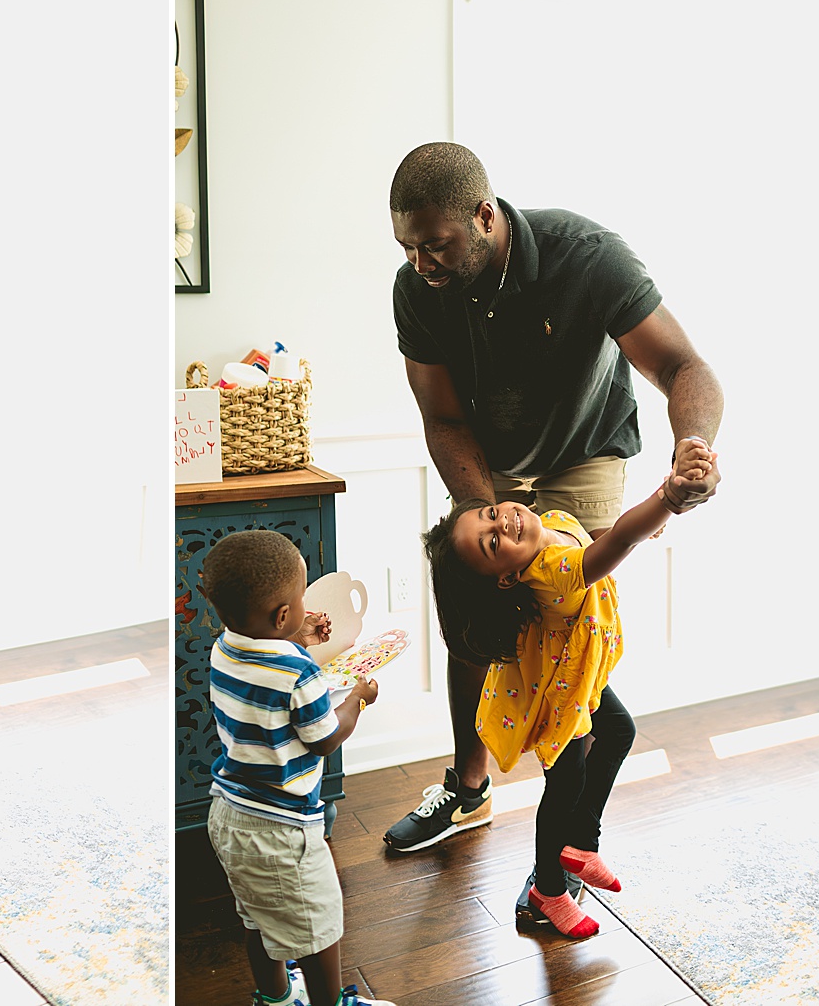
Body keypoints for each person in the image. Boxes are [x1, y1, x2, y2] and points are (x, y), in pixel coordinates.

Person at [382, 142, 724, 912]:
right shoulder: (416, 288)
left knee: (567, 626)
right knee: (480, 621)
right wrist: (477, 512)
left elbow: (683, 367)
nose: (421, 262)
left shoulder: (588, 258)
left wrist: (691, 448)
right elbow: (441, 414)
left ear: (484, 214)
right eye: (406, 245)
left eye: (436, 244)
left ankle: (562, 848)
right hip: (488, 462)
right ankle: (468, 787)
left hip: (585, 452)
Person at [421, 442, 712, 936]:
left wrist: (649, 521)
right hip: (562, 692)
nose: (504, 523)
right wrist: (665, 498)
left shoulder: (550, 520)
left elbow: (612, 533)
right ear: (509, 577)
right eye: (493, 542)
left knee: (619, 733)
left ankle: (582, 844)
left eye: (492, 514)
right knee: (565, 783)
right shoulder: (550, 575)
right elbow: (615, 541)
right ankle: (549, 888)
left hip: (583, 674)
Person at [202, 529, 395, 1006]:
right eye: (300, 600)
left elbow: (266, 679)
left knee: (258, 919)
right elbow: (325, 736)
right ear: (283, 614)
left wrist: (296, 638)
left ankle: (276, 998)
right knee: (318, 925)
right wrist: (357, 700)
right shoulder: (299, 673)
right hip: (282, 826)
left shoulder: (223, 647)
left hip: (228, 812)